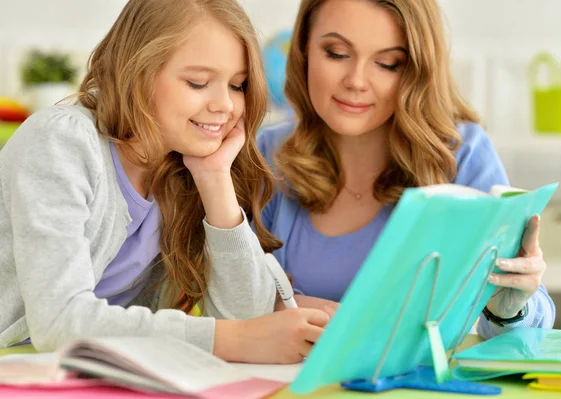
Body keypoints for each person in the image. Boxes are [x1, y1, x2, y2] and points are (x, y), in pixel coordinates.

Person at [0, 0, 329, 364]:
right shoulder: (61, 142)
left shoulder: (180, 170)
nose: (225, 105)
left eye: (238, 85)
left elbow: (247, 318)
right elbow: (58, 320)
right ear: (137, 71)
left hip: (72, 373)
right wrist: (228, 338)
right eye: (198, 82)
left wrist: (214, 178)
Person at [259, 0, 555, 339]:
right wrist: (275, 308)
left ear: (415, 70)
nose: (356, 81)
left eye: (387, 63)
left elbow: (531, 322)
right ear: (304, 51)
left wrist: (510, 310)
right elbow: (229, 302)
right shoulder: (267, 154)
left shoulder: (462, 154)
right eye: (337, 53)